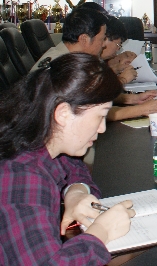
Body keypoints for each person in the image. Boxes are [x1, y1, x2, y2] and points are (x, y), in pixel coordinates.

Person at [0, 53, 136, 264]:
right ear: (63, 113)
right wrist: (102, 231)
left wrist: (75, 192)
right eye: (100, 116)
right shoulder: (21, 176)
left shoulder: (42, 144)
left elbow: (73, 167)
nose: (102, 128)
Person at [102, 17, 157, 121]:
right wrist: (141, 109)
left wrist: (133, 99)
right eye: (118, 44)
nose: (102, 44)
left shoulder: (93, 61)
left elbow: (98, 97)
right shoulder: (80, 64)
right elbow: (96, 111)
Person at [31, 7, 108, 71]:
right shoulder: (64, 69)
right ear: (84, 39)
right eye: (102, 39)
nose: (104, 45)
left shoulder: (68, 60)